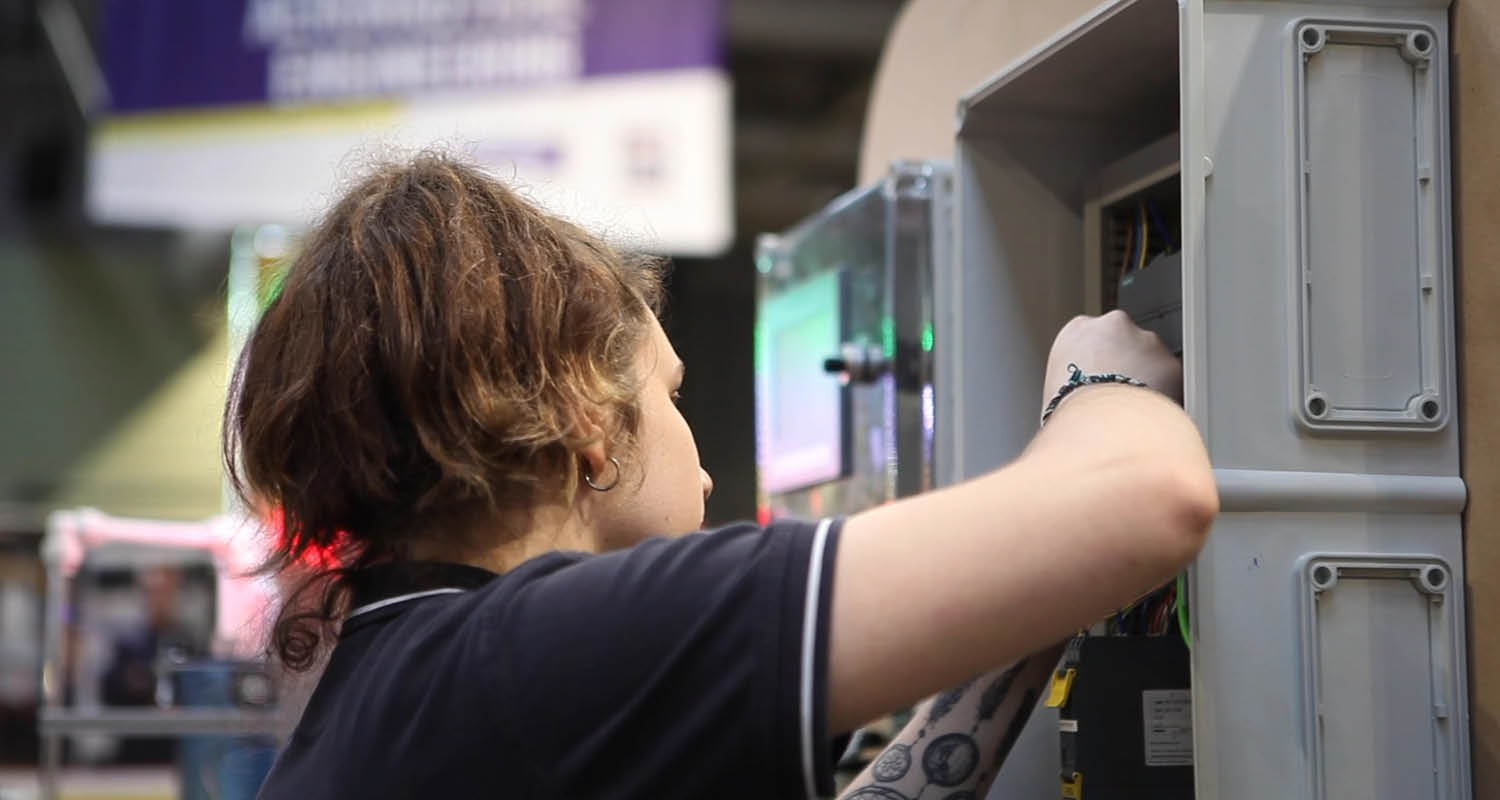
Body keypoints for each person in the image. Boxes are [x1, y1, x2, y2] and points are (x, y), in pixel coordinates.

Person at [227, 153, 1216, 799]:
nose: (700, 458)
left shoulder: (412, 670)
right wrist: (1096, 384)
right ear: (584, 418)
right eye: (672, 393)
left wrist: (1034, 597)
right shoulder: (538, 647)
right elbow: (1154, 497)